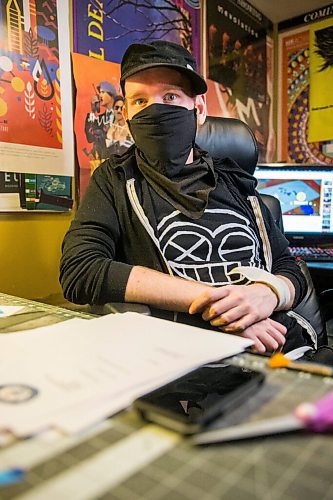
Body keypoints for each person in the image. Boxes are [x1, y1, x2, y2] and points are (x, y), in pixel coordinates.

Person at [60, 40, 313, 354]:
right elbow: (80, 271)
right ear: (126, 114)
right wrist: (227, 308)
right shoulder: (115, 179)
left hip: (285, 348)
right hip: (192, 362)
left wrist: (268, 293)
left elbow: (289, 266)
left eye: (170, 96)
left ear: (200, 109)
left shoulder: (234, 180)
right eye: (140, 100)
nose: (155, 109)